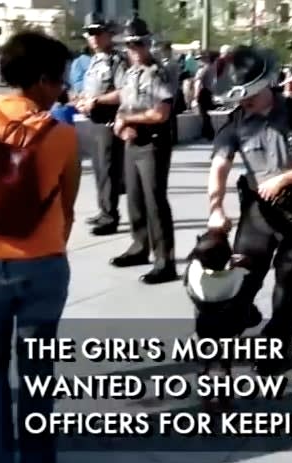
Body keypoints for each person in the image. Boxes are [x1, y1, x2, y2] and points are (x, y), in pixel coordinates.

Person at [0, 31, 79, 463]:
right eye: (60, 80)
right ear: (43, 79)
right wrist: (49, 244)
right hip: (43, 262)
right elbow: (68, 205)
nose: (62, 90)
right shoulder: (62, 134)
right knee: (37, 369)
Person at [206, 45, 292, 376]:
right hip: (257, 213)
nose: (244, 101)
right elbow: (220, 165)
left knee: (288, 284)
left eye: (248, 94)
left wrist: (283, 179)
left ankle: (275, 349)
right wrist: (216, 207)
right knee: (241, 278)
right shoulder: (236, 121)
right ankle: (231, 333)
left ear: (264, 85)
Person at [108, 16, 177, 284]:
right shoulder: (130, 73)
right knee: (134, 199)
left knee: (154, 201)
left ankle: (165, 261)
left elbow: (161, 113)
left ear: (148, 44)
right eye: (130, 44)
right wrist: (121, 125)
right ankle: (139, 246)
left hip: (153, 142)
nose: (134, 49)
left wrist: (129, 120)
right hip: (132, 141)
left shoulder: (157, 72)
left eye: (139, 43)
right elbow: (124, 107)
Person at [74, 12, 127, 236]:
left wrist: (96, 101)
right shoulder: (95, 61)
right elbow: (89, 90)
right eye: (90, 33)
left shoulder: (117, 60)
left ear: (108, 34)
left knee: (109, 169)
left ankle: (110, 216)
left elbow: (123, 92)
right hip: (94, 120)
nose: (93, 37)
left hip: (109, 121)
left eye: (98, 33)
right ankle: (103, 208)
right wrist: (82, 100)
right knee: (99, 169)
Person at [193, 50, 217, 141]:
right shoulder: (211, 67)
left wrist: (196, 95)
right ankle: (205, 133)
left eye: (199, 59)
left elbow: (198, 82)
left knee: (204, 114)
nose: (198, 61)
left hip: (202, 92)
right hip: (208, 92)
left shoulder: (202, 69)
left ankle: (209, 134)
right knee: (205, 114)